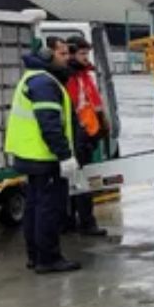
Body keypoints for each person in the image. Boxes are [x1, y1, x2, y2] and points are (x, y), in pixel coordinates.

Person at [4, 36, 82, 274]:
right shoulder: (44, 83)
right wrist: (65, 155)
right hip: (43, 157)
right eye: (63, 53)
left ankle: (36, 257)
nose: (67, 57)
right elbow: (49, 124)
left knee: (35, 208)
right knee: (48, 209)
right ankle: (48, 259)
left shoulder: (35, 78)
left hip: (31, 156)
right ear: (48, 55)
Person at [64, 35, 109, 237]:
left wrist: (101, 126)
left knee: (79, 182)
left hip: (87, 135)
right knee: (81, 183)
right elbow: (72, 110)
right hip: (78, 137)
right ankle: (84, 222)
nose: (86, 57)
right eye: (82, 53)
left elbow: (94, 103)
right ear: (72, 53)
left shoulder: (83, 76)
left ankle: (74, 221)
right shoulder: (70, 77)